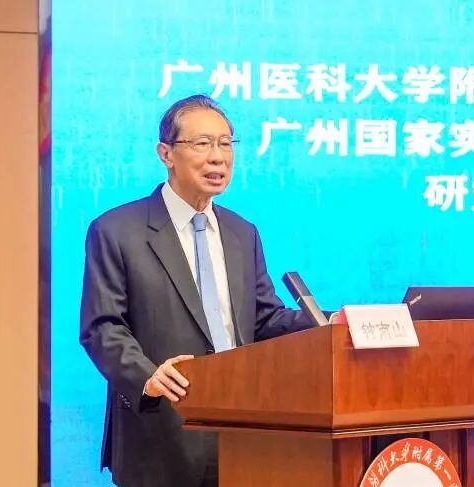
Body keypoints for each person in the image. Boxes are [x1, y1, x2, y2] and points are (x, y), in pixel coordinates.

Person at [80, 94, 314, 487]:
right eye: (202, 144)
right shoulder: (117, 231)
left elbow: (263, 319)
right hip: (160, 432)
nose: (218, 158)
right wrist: (148, 376)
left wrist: (325, 323)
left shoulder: (242, 232)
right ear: (166, 154)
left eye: (225, 144)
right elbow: (102, 327)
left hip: (240, 431)